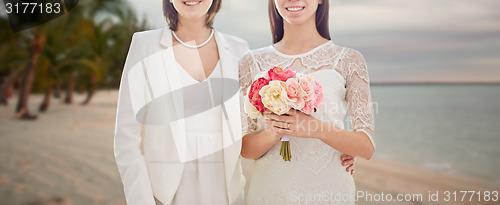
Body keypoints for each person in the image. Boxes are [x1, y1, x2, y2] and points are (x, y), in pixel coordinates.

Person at [239, 0, 375, 204]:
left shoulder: (349, 60)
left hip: (328, 190)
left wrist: (315, 128)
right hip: (270, 192)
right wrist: (275, 131)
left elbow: (366, 146)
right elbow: (245, 149)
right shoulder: (251, 62)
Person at [113, 0, 249, 204]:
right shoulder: (145, 45)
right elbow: (126, 137)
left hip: (228, 192)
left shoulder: (240, 50)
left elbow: (250, 129)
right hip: (165, 194)